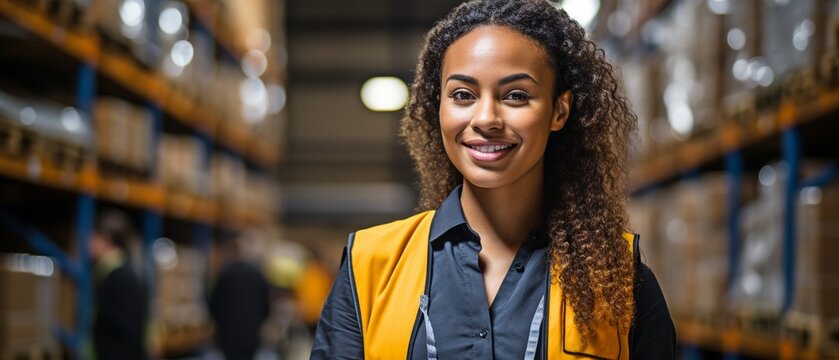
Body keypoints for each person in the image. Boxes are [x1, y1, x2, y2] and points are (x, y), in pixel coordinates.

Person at [311, 0, 676, 358]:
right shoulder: (370, 265)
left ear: (559, 111)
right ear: (438, 106)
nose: (486, 118)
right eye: (462, 95)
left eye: (516, 95)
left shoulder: (620, 281)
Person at [90, 208, 148, 360]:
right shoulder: (123, 274)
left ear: (106, 239)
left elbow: (125, 334)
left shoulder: (118, 280)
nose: (89, 243)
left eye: (94, 237)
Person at [209, 237, 271, 360]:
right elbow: (266, 306)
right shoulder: (257, 275)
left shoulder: (224, 275)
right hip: (251, 335)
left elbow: (213, 303)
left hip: (228, 335)